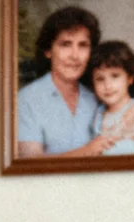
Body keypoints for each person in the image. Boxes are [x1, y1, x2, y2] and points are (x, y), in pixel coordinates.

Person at [16, 6, 111, 157]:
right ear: (48, 51)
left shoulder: (97, 98)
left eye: (83, 45)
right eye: (65, 44)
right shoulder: (25, 100)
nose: (75, 55)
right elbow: (32, 167)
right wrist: (87, 151)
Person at [89, 39, 134, 156]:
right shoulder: (98, 114)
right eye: (100, 79)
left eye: (115, 76)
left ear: (130, 78)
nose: (107, 85)